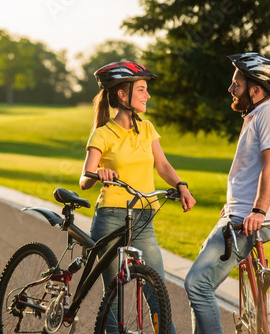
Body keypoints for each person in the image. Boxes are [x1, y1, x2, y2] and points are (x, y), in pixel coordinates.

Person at [79, 61, 196, 333]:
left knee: (158, 296)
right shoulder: (103, 133)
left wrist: (182, 186)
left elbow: (163, 166)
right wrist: (100, 173)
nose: (148, 95)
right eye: (142, 89)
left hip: (143, 218)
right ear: (122, 94)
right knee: (114, 297)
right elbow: (84, 178)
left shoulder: (147, 129)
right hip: (111, 218)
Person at [184, 52, 270, 333]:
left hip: (247, 220)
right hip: (237, 214)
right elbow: (250, 169)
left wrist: (258, 210)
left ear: (255, 90)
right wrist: (233, 203)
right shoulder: (257, 114)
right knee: (201, 273)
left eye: (237, 85)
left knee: (197, 284)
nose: (230, 89)